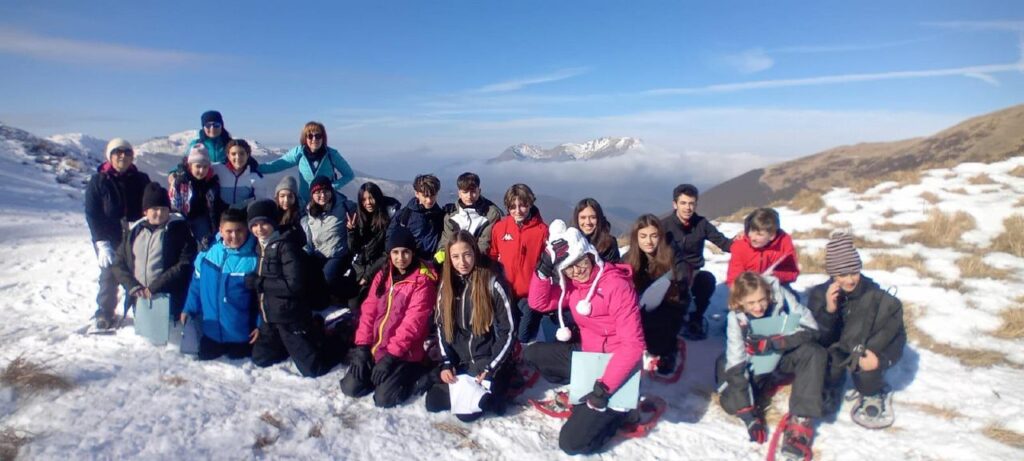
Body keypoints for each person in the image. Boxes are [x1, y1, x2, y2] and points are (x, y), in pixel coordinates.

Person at [524, 220, 645, 456]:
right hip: (590, 359)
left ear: (589, 254)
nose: (577, 270)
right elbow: (538, 302)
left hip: (616, 370)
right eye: (568, 267)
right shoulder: (574, 287)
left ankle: (620, 415)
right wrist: (543, 268)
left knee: (570, 443)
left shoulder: (616, 286)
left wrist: (603, 389)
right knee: (532, 353)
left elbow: (634, 345)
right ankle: (582, 391)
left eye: (579, 261)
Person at [715, 272, 825, 459]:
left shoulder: (781, 296)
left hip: (784, 354)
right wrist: (748, 416)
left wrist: (776, 342)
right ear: (740, 302)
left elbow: (811, 329)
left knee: (815, 352)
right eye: (751, 303)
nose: (758, 307)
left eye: (762, 300)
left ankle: (801, 419)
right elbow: (736, 363)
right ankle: (757, 394)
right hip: (757, 362)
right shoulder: (736, 319)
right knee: (732, 404)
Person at [806, 231, 905, 428]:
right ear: (832, 274)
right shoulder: (819, 294)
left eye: (854, 272)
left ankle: (872, 392)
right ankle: (831, 387)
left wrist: (882, 360)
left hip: (862, 350)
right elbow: (817, 338)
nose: (850, 280)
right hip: (836, 349)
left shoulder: (874, 295)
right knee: (825, 361)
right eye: (842, 274)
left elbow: (896, 334)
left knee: (867, 364)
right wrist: (829, 310)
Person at [340, 226, 438, 408]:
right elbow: (368, 311)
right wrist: (362, 347)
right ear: (390, 254)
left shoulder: (422, 282)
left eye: (406, 252)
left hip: (403, 354)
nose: (401, 258)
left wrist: (390, 357)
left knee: (384, 399)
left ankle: (414, 375)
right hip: (376, 348)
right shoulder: (383, 275)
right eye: (396, 253)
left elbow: (412, 325)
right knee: (350, 388)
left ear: (413, 253)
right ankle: (379, 376)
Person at [424, 231, 515, 421]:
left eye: (467, 255)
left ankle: (498, 384)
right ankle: (484, 396)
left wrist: (491, 367)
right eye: (455, 257)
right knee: (432, 402)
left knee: (466, 414)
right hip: (460, 360)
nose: (462, 262)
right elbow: (441, 326)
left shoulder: (492, 282)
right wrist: (447, 363)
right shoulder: (447, 285)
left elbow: (508, 331)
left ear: (475, 252)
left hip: (486, 358)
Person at [246, 200, 341, 378]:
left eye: (264, 223)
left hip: (290, 317)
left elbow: (294, 285)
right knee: (261, 358)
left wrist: (260, 283)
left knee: (314, 369)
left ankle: (338, 339)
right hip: (270, 319)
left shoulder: (286, 246)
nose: (259, 229)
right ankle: (291, 345)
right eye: (255, 225)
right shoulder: (261, 246)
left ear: (273, 222)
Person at [84, 138, 152, 329]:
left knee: (138, 272)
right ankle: (105, 312)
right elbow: (92, 213)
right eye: (118, 152)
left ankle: (142, 309)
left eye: (127, 153)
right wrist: (100, 241)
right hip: (109, 236)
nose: (123, 156)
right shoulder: (99, 181)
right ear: (110, 156)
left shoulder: (140, 179)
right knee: (110, 273)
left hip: (135, 234)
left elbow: (149, 203)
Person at [180, 208, 260, 360]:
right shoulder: (208, 254)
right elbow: (196, 284)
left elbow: (262, 299)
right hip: (211, 334)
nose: (234, 236)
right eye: (229, 231)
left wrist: (260, 325)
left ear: (247, 230)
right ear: (221, 230)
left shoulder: (254, 259)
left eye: (239, 231)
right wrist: (188, 309)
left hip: (242, 337)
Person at [111, 182, 197, 322]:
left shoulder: (179, 230)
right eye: (155, 209)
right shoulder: (135, 232)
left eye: (164, 209)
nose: (160, 213)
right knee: (145, 340)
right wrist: (132, 286)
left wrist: (155, 287)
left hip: (168, 300)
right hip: (139, 300)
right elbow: (118, 262)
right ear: (145, 211)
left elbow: (184, 263)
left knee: (168, 340)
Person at [662, 183, 732, 340]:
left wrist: (745, 241)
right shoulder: (664, 226)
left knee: (707, 280)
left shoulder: (702, 224)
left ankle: (696, 317)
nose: (688, 208)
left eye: (691, 203)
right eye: (683, 203)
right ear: (675, 204)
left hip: (694, 271)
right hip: (669, 272)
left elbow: (724, 243)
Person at [625, 214, 685, 376]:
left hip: (667, 311)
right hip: (636, 312)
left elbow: (682, 288)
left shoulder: (672, 257)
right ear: (636, 238)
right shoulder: (627, 260)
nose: (648, 241)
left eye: (653, 236)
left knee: (657, 341)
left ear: (660, 237)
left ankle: (668, 350)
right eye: (643, 236)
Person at [488, 184, 549, 343]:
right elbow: (493, 255)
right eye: (512, 207)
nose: (518, 210)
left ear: (530, 203)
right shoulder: (500, 228)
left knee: (524, 336)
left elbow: (549, 262)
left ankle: (527, 362)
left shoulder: (542, 230)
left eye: (522, 205)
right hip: (506, 291)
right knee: (507, 332)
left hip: (530, 293)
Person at [258, 121, 355, 205]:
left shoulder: (331, 154)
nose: (314, 139)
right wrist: (252, 167)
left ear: (323, 138)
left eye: (318, 136)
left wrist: (331, 187)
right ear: (305, 138)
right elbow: (276, 166)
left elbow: (349, 175)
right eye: (310, 136)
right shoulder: (299, 153)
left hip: (326, 201)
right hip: (305, 202)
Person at [301, 176, 357, 306]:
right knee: (310, 278)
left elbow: (364, 210)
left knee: (328, 277)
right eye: (317, 192)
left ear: (331, 191)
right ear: (312, 195)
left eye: (326, 191)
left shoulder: (344, 206)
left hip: (337, 254)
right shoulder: (310, 210)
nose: (322, 195)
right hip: (318, 254)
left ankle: (345, 296)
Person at [346, 182, 401, 308]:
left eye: (371, 198)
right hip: (360, 266)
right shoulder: (358, 218)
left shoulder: (388, 220)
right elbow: (353, 249)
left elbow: (386, 253)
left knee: (364, 303)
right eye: (364, 199)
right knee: (349, 300)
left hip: (379, 267)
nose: (368, 202)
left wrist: (368, 276)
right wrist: (351, 231)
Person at [726, 208, 799, 287]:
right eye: (751, 231)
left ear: (772, 236)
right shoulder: (740, 245)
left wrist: (775, 275)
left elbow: (792, 273)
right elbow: (733, 279)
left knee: (790, 298)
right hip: (747, 288)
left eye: (759, 234)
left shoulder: (784, 242)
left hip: (776, 285)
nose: (753, 238)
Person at [437, 172, 503, 259]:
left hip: (480, 262)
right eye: (465, 192)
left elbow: (484, 243)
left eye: (473, 192)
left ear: (479, 191)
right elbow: (446, 240)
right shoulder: (450, 215)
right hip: (455, 262)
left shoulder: (491, 214)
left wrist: (469, 260)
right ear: (459, 193)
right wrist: (442, 253)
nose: (469, 196)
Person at [170, 143, 222, 250]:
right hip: (183, 216)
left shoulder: (211, 182)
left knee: (206, 243)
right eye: (198, 166)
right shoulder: (181, 181)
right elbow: (174, 202)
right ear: (190, 166)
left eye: (205, 167)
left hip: (201, 217)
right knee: (181, 244)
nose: (201, 170)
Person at [388, 174, 445, 262]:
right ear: (417, 194)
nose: (429, 200)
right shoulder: (404, 216)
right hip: (411, 264)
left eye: (432, 195)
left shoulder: (441, 215)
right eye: (425, 196)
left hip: (434, 265)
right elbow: (390, 241)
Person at [211, 139, 263, 207]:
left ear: (247, 155)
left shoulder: (254, 175)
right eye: (233, 154)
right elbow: (201, 165)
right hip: (221, 212)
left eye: (242, 153)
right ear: (228, 156)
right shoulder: (219, 169)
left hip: (244, 213)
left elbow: (260, 200)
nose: (238, 157)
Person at [571, 198, 620, 263]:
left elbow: (613, 270)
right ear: (577, 219)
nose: (588, 222)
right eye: (583, 217)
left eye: (593, 217)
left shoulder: (609, 243)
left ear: (599, 219)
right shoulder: (569, 241)